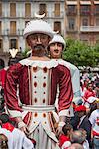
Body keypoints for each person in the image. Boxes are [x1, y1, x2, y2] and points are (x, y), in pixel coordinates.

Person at [4, 14, 73, 149]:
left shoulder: (61, 69)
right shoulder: (17, 68)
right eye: (34, 38)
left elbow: (66, 95)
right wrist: (19, 121)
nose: (39, 41)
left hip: (51, 120)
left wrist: (61, 122)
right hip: (26, 119)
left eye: (43, 38)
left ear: (48, 40)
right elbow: (10, 95)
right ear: (28, 41)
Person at [48, 34, 81, 116]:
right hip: (46, 108)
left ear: (62, 48)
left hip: (65, 109)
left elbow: (76, 94)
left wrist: (71, 104)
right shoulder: (42, 66)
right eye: (53, 45)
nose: (56, 48)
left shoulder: (72, 68)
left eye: (59, 45)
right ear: (48, 48)